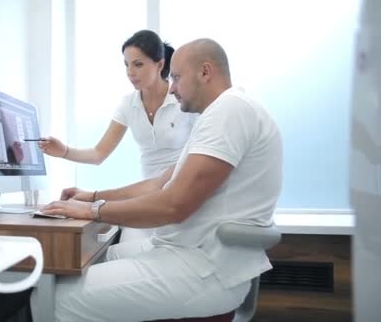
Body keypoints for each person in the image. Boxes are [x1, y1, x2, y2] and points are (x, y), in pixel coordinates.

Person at [42, 38, 283, 321]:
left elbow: (173, 206)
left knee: (55, 299)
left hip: (206, 267)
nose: (173, 87)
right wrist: (93, 196)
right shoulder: (219, 114)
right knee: (97, 259)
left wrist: (92, 210)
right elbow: (158, 184)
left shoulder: (229, 111)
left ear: (205, 72)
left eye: (177, 77)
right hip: (191, 251)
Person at [39, 29, 197, 242]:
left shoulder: (182, 99)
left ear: (160, 65)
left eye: (138, 64)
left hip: (176, 194)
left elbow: (193, 160)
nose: (130, 72)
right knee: (120, 244)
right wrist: (64, 151)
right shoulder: (128, 104)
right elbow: (98, 153)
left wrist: (94, 198)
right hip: (144, 197)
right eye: (126, 64)